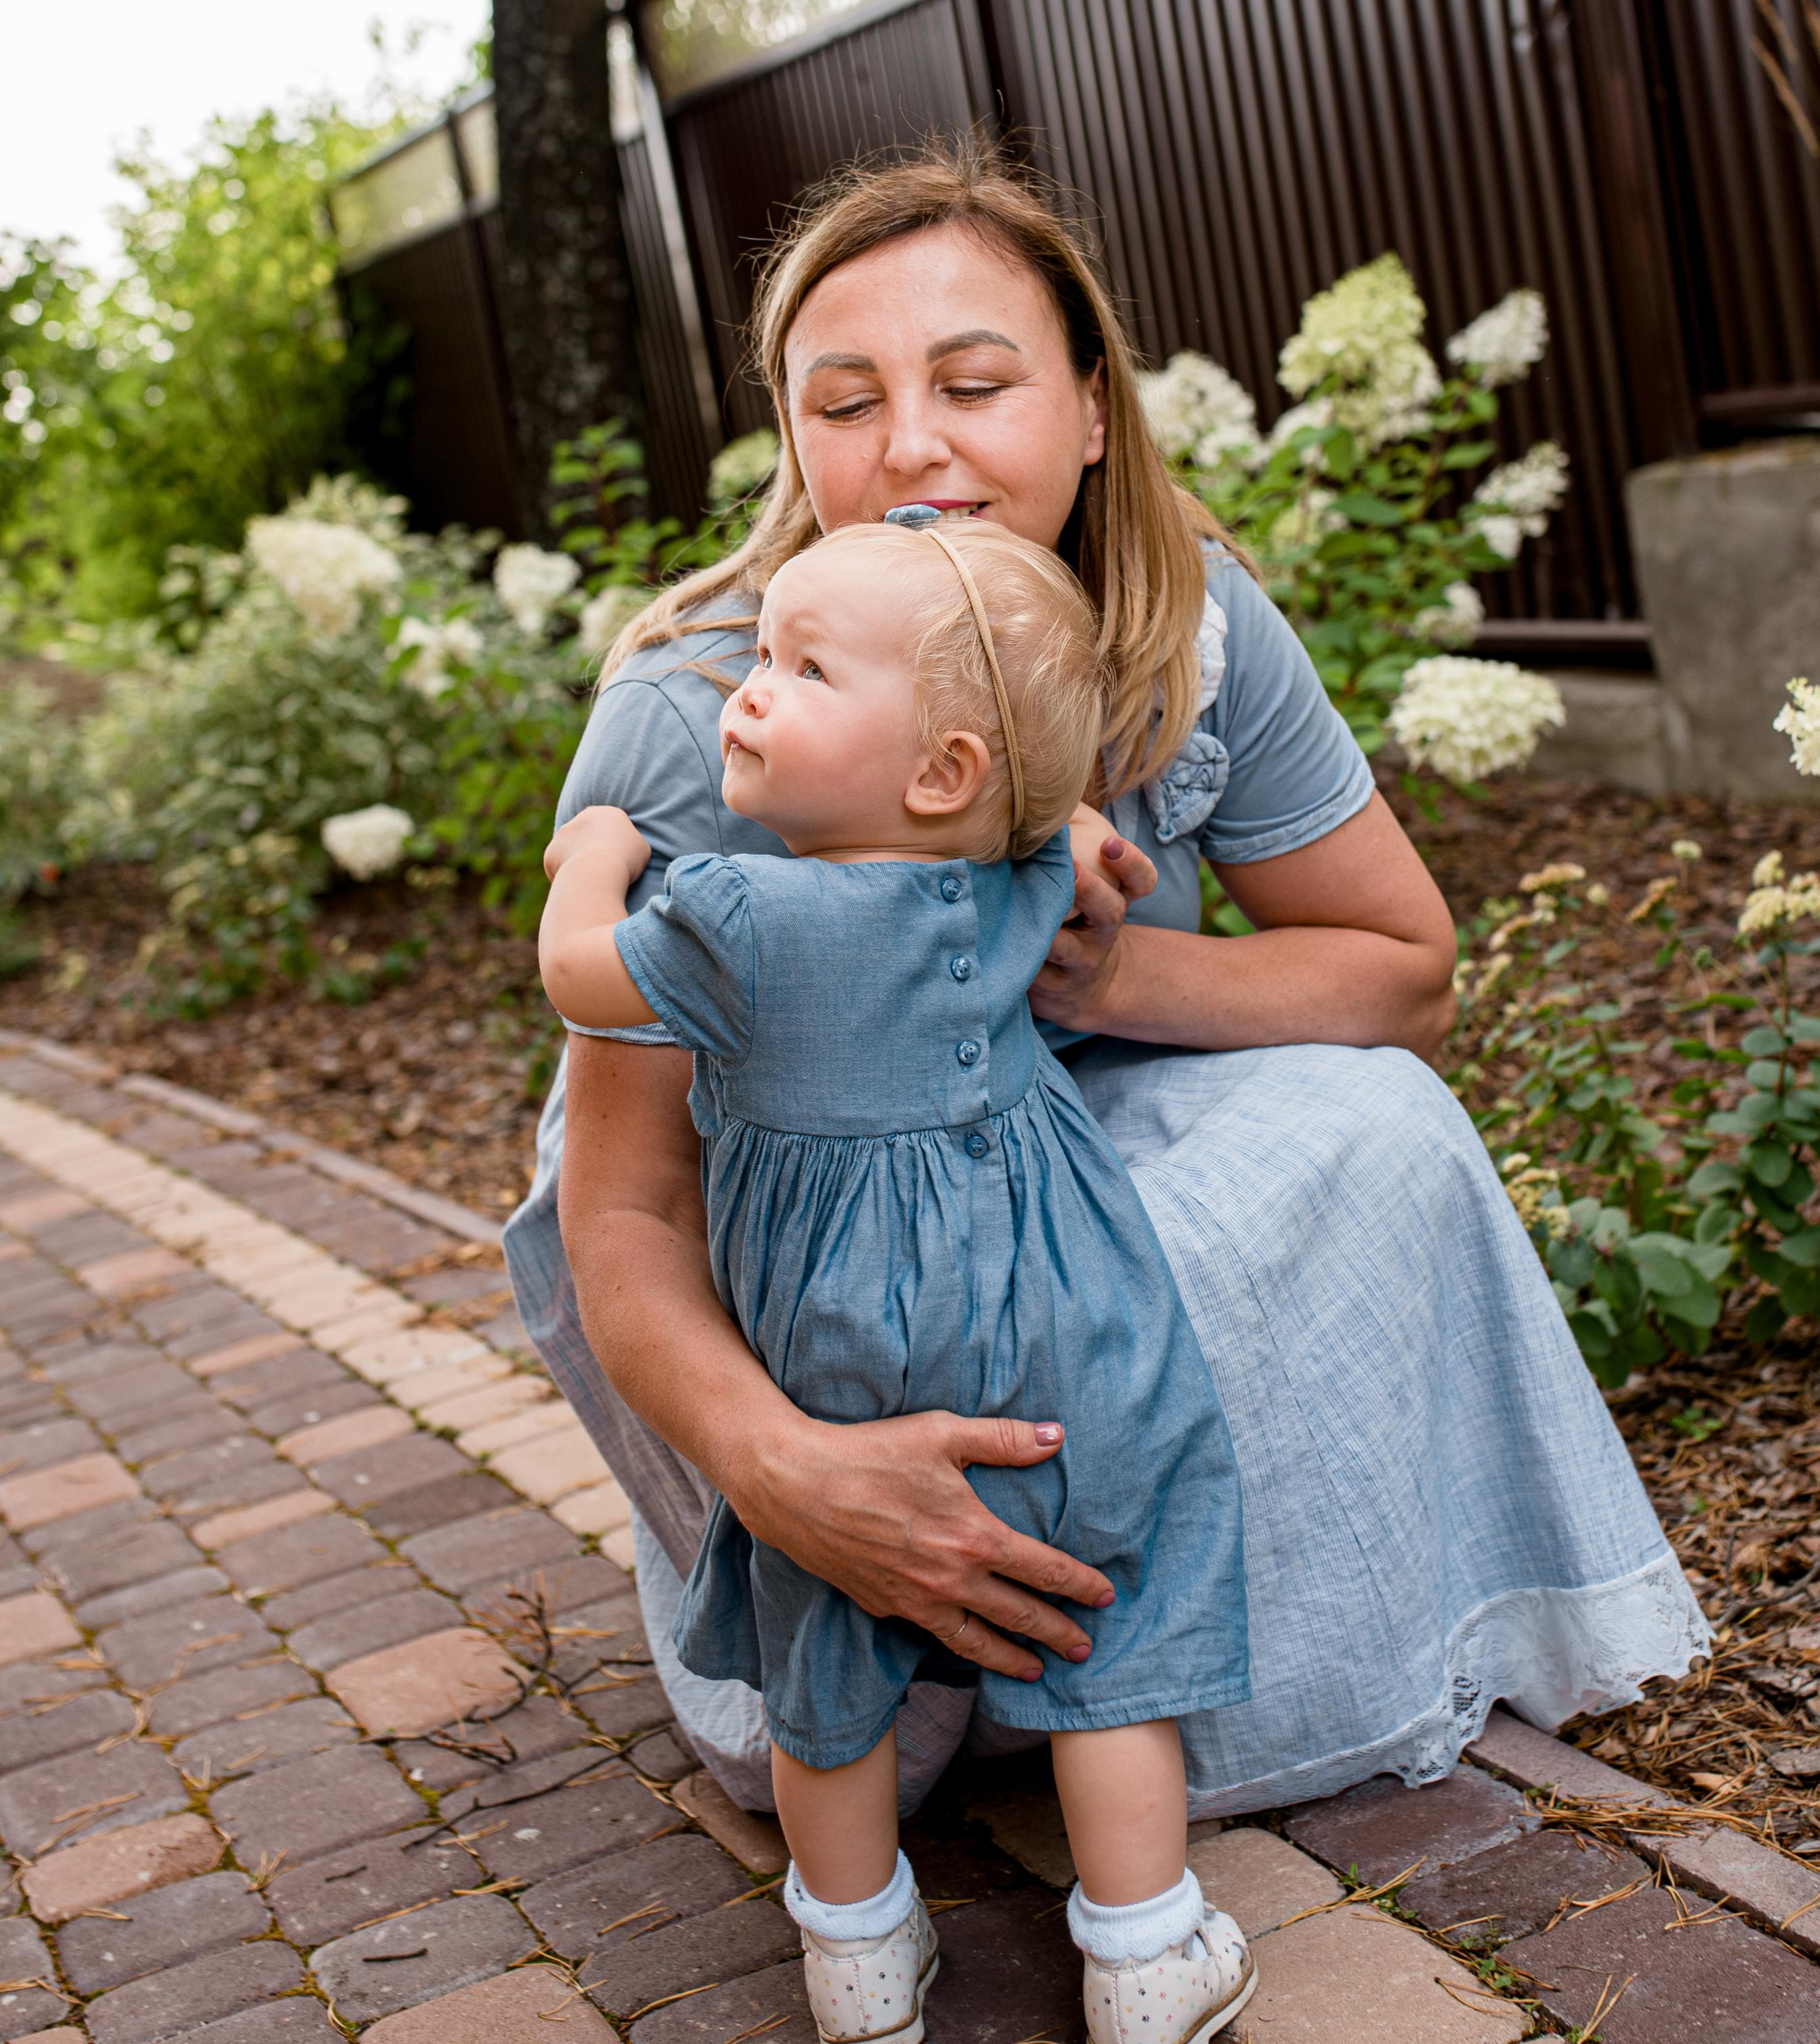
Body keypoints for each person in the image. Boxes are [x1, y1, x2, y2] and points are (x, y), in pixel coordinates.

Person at [505, 141, 1706, 1841]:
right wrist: (794, 1481)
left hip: (1051, 1127)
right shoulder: (714, 704)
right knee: (858, 1695)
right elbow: (619, 1212)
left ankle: (1151, 1665)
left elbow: (1400, 972)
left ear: (1086, 402)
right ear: (790, 443)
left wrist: (1100, 969)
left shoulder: (1186, 625)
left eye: (972, 382)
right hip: (769, 1210)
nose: (909, 444)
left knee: (1372, 1124)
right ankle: (915, 1655)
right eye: (840, 402)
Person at [538, 518, 1256, 2044]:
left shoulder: (731, 919)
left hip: (835, 1344)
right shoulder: (1008, 877)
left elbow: (579, 976)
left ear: (936, 771)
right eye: (758, 657)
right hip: (1068, 1311)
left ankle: (856, 1956)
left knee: (827, 1635)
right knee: (1103, 1596)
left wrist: (591, 853)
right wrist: (1052, 809)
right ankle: (1142, 1954)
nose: (743, 690)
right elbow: (1049, 830)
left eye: (800, 667)